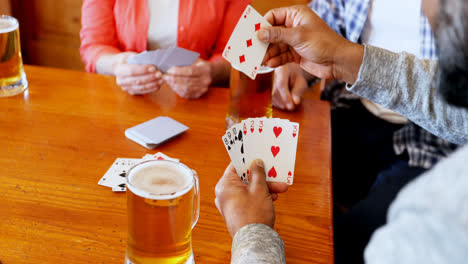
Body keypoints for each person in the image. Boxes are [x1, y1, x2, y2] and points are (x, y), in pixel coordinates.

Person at [215, 2, 468, 263]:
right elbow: (320, 29)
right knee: (295, 200)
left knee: (345, 239)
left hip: (432, 143)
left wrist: (253, 236)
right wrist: (316, 62)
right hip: (350, 109)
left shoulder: (430, 227)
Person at [80, 0, 249, 98]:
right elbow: (94, 47)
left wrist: (210, 72)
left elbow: (235, 55)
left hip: (199, 103)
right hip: (123, 100)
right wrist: (118, 65)